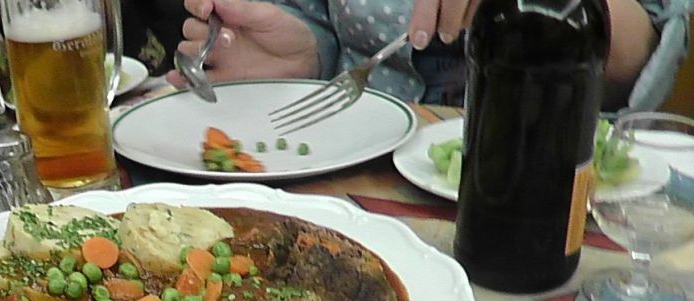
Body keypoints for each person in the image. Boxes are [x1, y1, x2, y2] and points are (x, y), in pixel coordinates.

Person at [165, 0, 691, 110]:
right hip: (357, 172)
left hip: (554, 192)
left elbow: (642, 52)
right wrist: (308, 59)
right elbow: (318, 17)